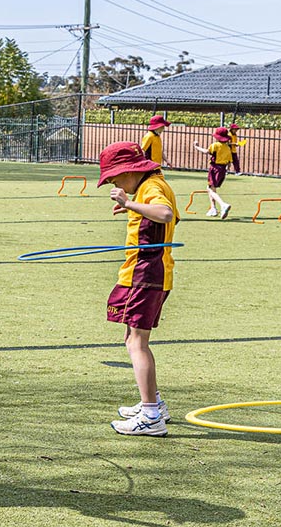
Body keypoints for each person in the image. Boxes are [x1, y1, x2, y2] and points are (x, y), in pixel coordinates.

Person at [98, 142, 178, 437]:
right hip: (149, 272)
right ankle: (154, 403)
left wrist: (130, 203)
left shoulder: (151, 188)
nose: (114, 184)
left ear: (130, 171)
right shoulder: (154, 183)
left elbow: (165, 214)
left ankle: (151, 416)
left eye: (115, 178)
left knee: (136, 343)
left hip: (145, 273)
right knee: (133, 337)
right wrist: (133, 209)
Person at [191, 127, 234, 219]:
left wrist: (196, 147)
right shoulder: (227, 147)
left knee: (210, 189)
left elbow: (206, 151)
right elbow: (230, 161)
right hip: (223, 169)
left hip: (215, 168)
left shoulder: (215, 145)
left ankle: (223, 204)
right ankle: (213, 209)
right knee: (212, 188)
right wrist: (227, 170)